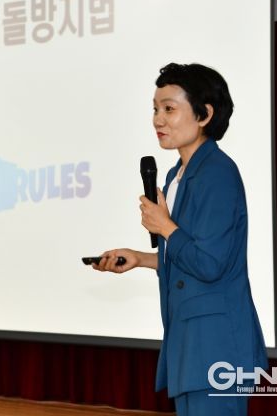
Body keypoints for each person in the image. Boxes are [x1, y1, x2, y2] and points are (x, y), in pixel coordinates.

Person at [92, 63, 267, 416]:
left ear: (204, 115)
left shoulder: (217, 172)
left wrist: (166, 226)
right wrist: (141, 258)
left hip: (216, 345)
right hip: (189, 344)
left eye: (169, 109)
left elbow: (210, 263)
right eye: (155, 109)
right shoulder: (177, 174)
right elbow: (190, 254)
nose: (158, 119)